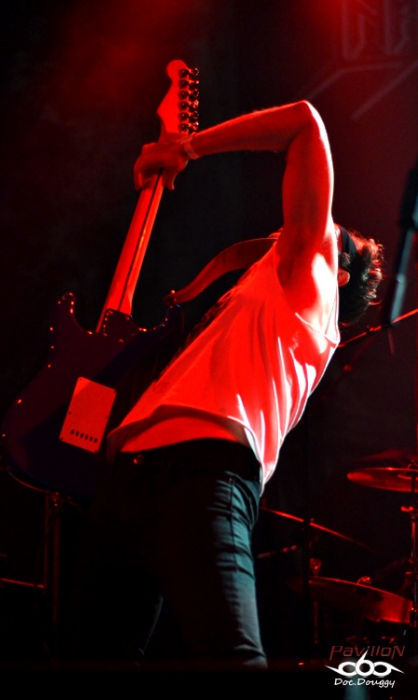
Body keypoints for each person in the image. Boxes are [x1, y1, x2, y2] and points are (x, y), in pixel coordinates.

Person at [74, 101, 383, 669]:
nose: (306, 220)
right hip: (127, 481)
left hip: (202, 476)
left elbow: (305, 122)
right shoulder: (257, 297)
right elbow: (241, 256)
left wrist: (186, 147)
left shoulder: (312, 278)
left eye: (327, 228)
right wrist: (200, 283)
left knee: (231, 661)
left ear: (337, 272)